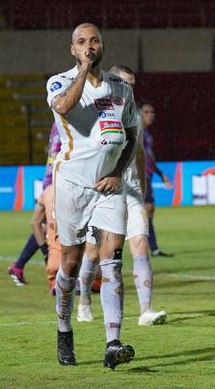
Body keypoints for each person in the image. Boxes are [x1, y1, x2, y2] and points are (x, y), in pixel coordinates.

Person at [47, 23, 138, 369]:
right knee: (69, 263)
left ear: (103, 45)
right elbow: (64, 107)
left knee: (113, 258)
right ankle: (64, 328)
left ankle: (113, 343)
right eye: (82, 42)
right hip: (72, 184)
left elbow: (131, 136)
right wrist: (84, 70)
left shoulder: (121, 89)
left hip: (109, 187)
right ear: (73, 50)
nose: (90, 45)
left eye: (95, 40)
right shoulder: (59, 81)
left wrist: (117, 173)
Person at [76, 64, 167, 327]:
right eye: (126, 83)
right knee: (93, 253)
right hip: (103, 190)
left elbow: (138, 151)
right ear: (113, 81)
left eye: (133, 84)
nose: (131, 88)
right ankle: (83, 301)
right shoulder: (98, 109)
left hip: (131, 190)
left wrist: (142, 188)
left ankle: (145, 311)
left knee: (140, 244)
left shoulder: (134, 114)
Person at [7, 123, 61, 286]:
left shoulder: (56, 124)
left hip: (50, 180)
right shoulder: (64, 124)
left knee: (43, 225)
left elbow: (51, 155)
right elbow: (56, 154)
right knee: (47, 226)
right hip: (56, 182)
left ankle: (19, 266)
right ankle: (49, 261)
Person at [141, 101, 174, 257]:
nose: (150, 115)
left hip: (147, 177)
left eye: (152, 112)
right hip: (136, 178)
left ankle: (153, 248)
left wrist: (161, 175)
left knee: (149, 212)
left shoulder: (147, 134)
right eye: (146, 112)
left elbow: (149, 158)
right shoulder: (136, 132)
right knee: (142, 212)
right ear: (139, 114)